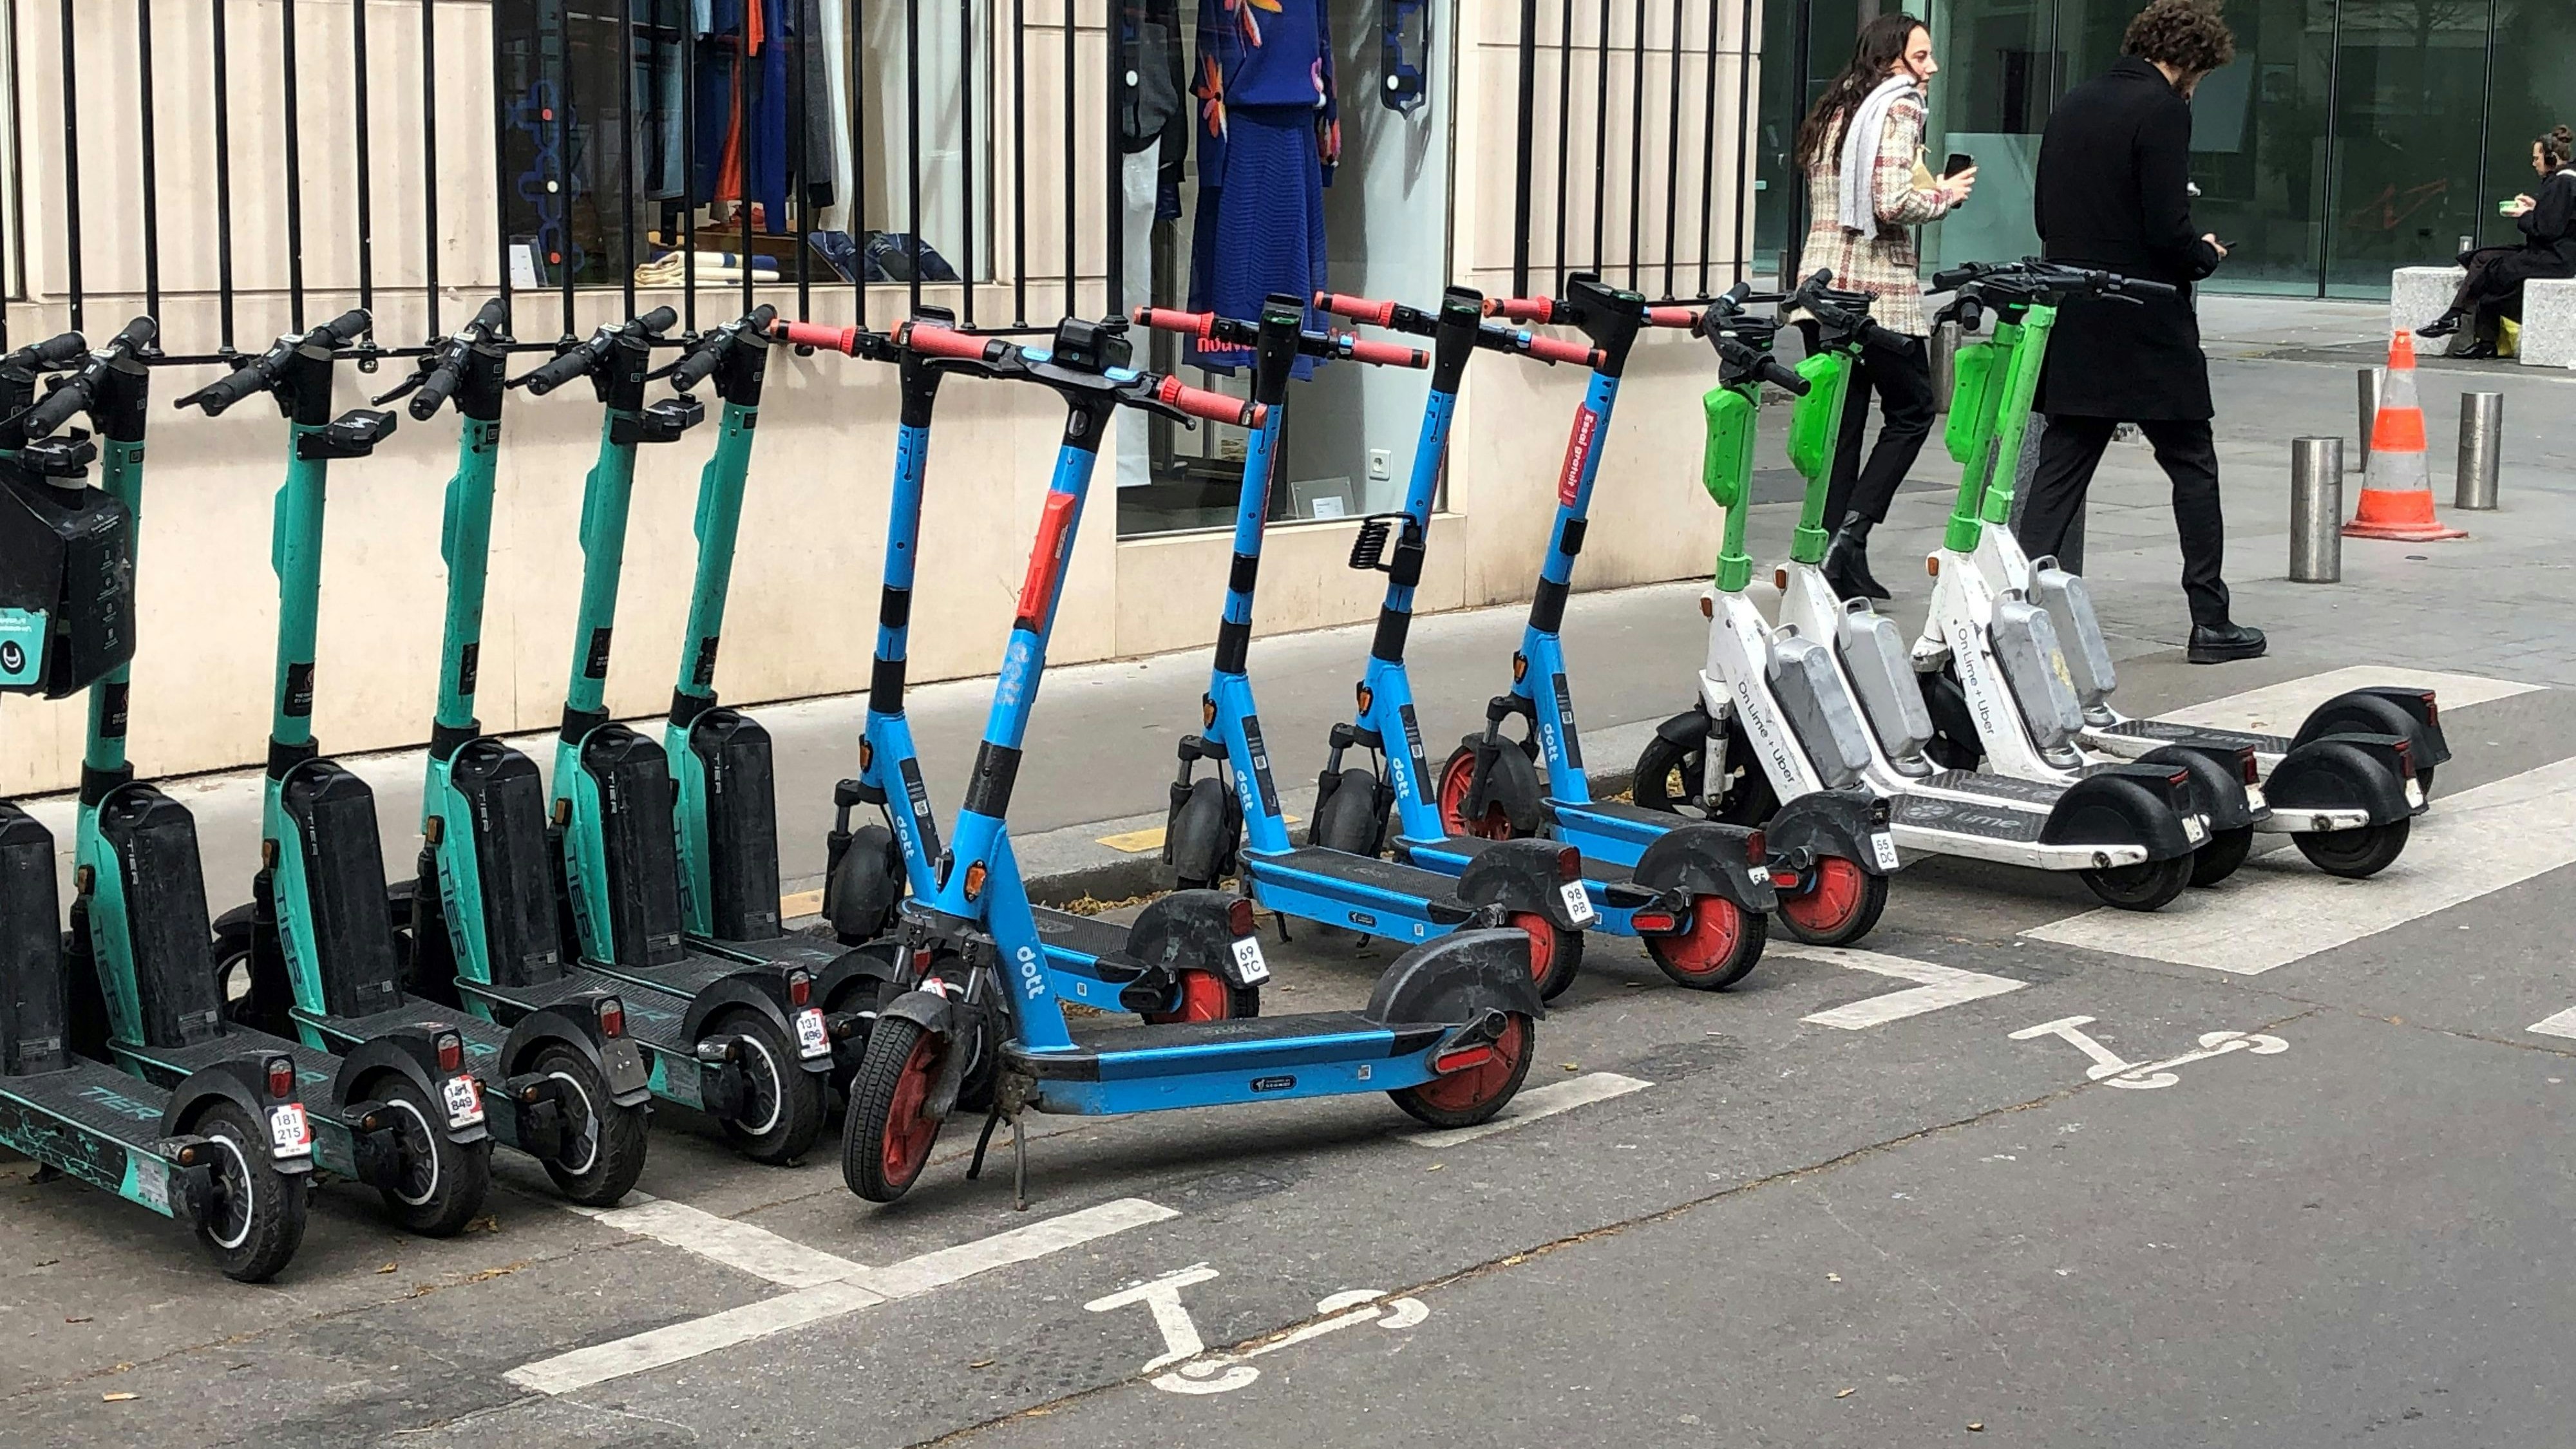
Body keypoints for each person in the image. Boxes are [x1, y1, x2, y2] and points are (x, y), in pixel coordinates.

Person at [2016, 0, 2261, 665]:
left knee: (2062, 463)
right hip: (2145, 313)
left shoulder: (2072, 102)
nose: (2197, 86)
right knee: (2191, 463)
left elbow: (2045, 212)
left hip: (2075, 306)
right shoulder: (2162, 110)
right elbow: (2165, 228)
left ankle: (2010, 608)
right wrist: (2204, 254)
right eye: (2201, 74)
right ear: (2187, 59)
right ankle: (2210, 619)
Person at [1790, 14, 1975, 601]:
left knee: (1843, 426)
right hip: (1876, 293)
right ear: (1889, 59)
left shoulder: (1835, 112)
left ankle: (1836, 559)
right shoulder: (1897, 107)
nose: (1932, 69)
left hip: (1820, 286)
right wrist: (1945, 196)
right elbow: (1891, 202)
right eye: (1921, 57)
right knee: (1914, 411)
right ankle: (1852, 534)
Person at [2418, 127, 2576, 357]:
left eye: (2536, 158)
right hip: (2552, 252)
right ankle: (2463, 324)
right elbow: (2558, 217)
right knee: (2482, 257)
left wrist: (2522, 214)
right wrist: (2535, 207)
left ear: (2551, 157)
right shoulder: (2564, 180)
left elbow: (2546, 229)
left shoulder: (2562, 183)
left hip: (2554, 258)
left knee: (2489, 271)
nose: (2534, 164)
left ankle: (2462, 323)